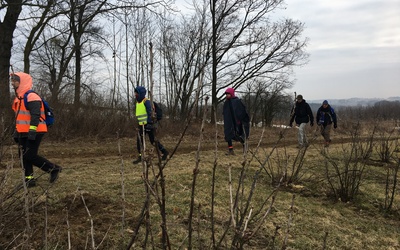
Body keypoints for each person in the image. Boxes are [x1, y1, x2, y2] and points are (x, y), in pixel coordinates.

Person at [11, 72, 62, 188]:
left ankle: (53, 169)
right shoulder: (19, 97)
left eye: (15, 80)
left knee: (30, 155)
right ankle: (29, 180)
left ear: (22, 82)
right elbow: (20, 118)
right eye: (12, 81)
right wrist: (16, 132)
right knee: (23, 156)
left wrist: (32, 131)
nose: (12, 83)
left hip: (36, 130)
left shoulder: (32, 96)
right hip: (23, 131)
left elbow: (35, 115)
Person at [132, 86, 168, 164]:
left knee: (153, 141)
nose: (135, 94)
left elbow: (150, 113)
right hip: (141, 126)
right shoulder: (138, 103)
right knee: (139, 142)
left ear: (140, 93)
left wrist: (149, 123)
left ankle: (164, 152)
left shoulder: (146, 101)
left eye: (136, 93)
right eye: (135, 93)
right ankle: (141, 156)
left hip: (149, 125)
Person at [222, 87, 250, 155]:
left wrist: (240, 120)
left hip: (237, 122)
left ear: (231, 94)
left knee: (240, 136)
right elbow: (225, 112)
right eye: (226, 94)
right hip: (229, 122)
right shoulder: (226, 103)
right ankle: (230, 150)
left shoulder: (237, 101)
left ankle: (244, 148)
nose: (227, 95)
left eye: (228, 94)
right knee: (228, 134)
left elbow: (241, 111)